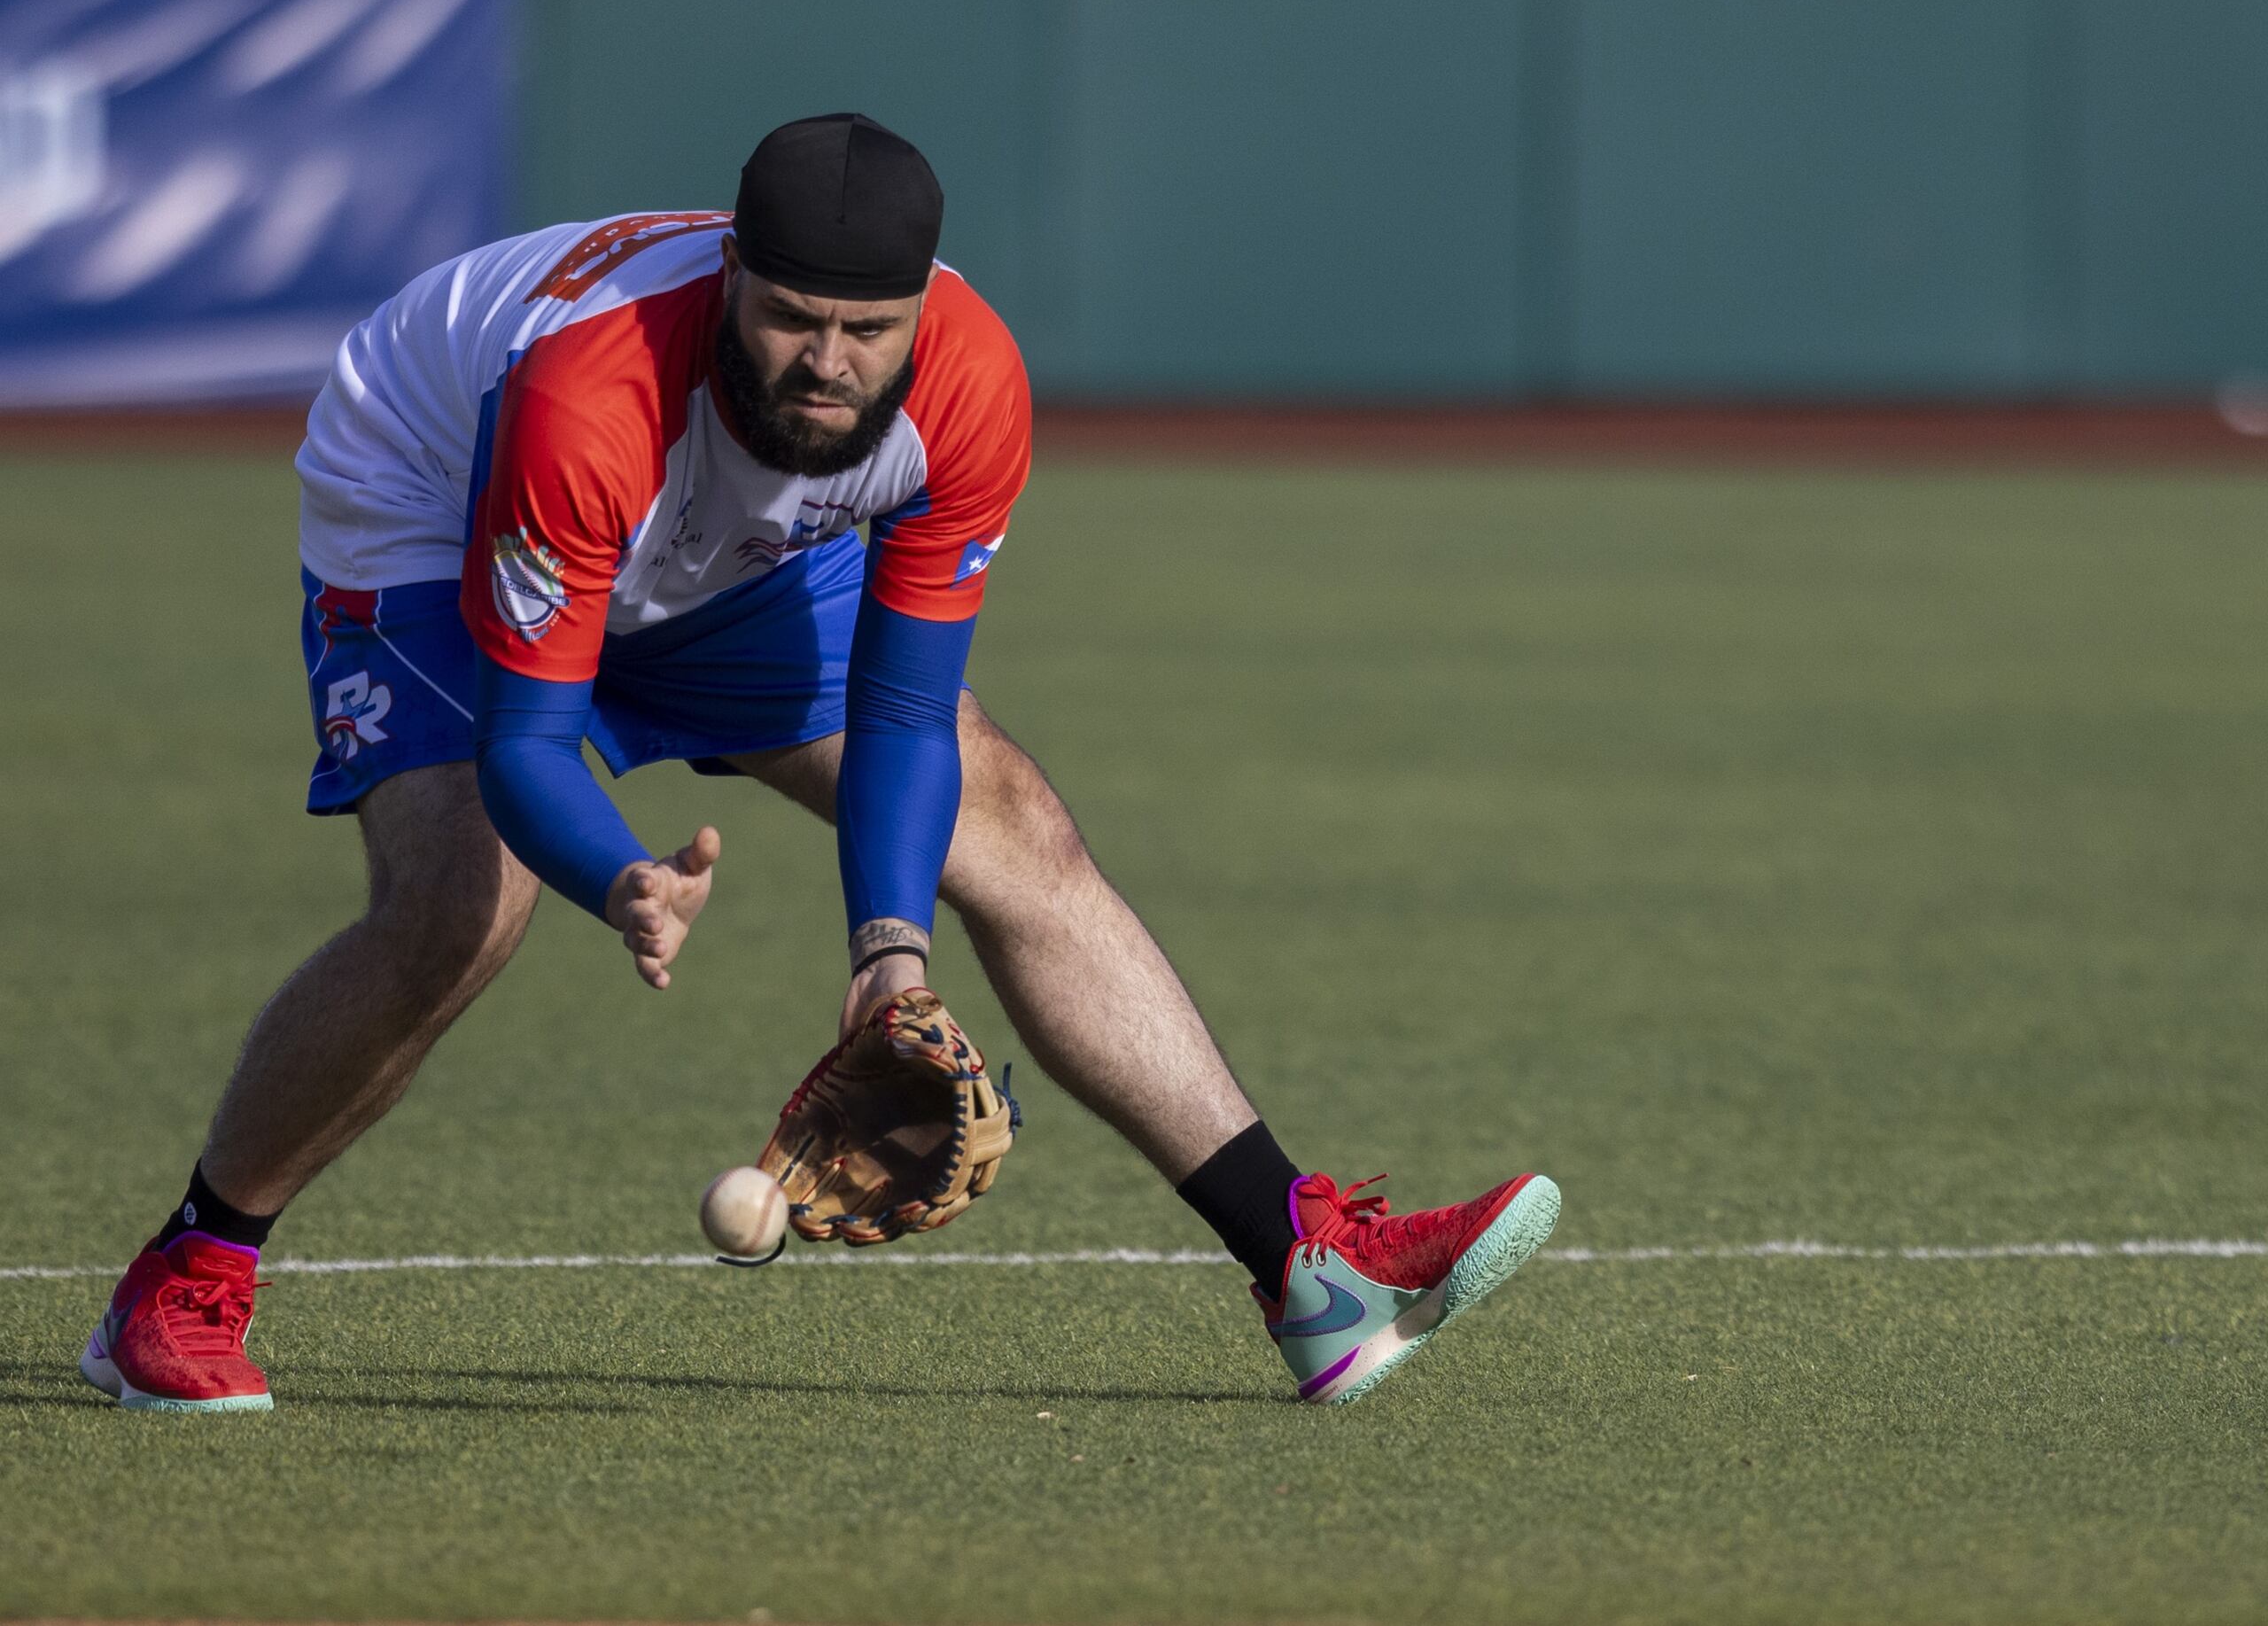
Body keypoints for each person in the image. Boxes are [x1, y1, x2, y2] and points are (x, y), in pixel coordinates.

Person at [78, 113, 1558, 1412]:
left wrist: (889, 957)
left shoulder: (970, 385)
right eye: (791, 318)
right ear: (731, 274)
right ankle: (191, 1269)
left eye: (870, 329)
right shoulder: (591, 394)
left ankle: (1305, 1263)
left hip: (716, 554)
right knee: (463, 902)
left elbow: (903, 713)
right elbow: (534, 737)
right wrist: (621, 878)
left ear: (923, 308)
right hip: (429, 499)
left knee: (1009, 815)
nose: (831, 363)